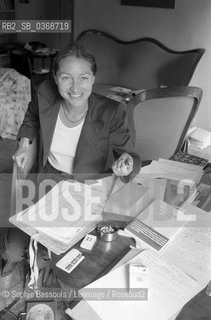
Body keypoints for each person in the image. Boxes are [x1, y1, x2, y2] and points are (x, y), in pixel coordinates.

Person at [0, 43, 141, 277]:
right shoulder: (45, 93)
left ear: (93, 78)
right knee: (12, 252)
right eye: (66, 77)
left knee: (63, 251)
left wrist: (126, 162)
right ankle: (38, 259)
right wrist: (25, 144)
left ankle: (46, 262)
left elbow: (129, 156)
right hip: (46, 180)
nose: (75, 87)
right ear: (55, 78)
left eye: (83, 78)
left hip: (85, 190)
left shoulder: (112, 111)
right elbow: (32, 117)